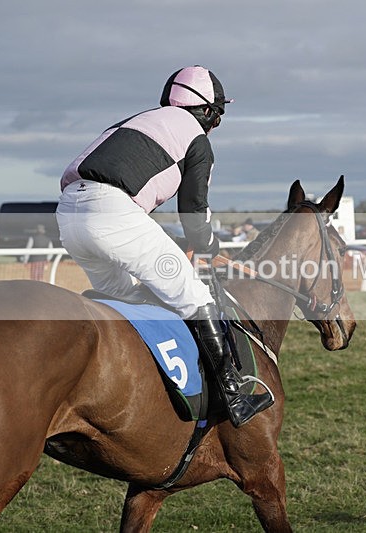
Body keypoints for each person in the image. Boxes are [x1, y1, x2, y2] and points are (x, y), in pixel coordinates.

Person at [56, 65, 272, 427]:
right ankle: (233, 396)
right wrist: (207, 244)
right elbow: (193, 211)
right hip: (114, 212)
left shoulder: (135, 121)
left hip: (69, 214)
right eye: (217, 116)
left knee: (129, 296)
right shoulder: (197, 140)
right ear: (206, 111)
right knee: (196, 297)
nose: (214, 125)